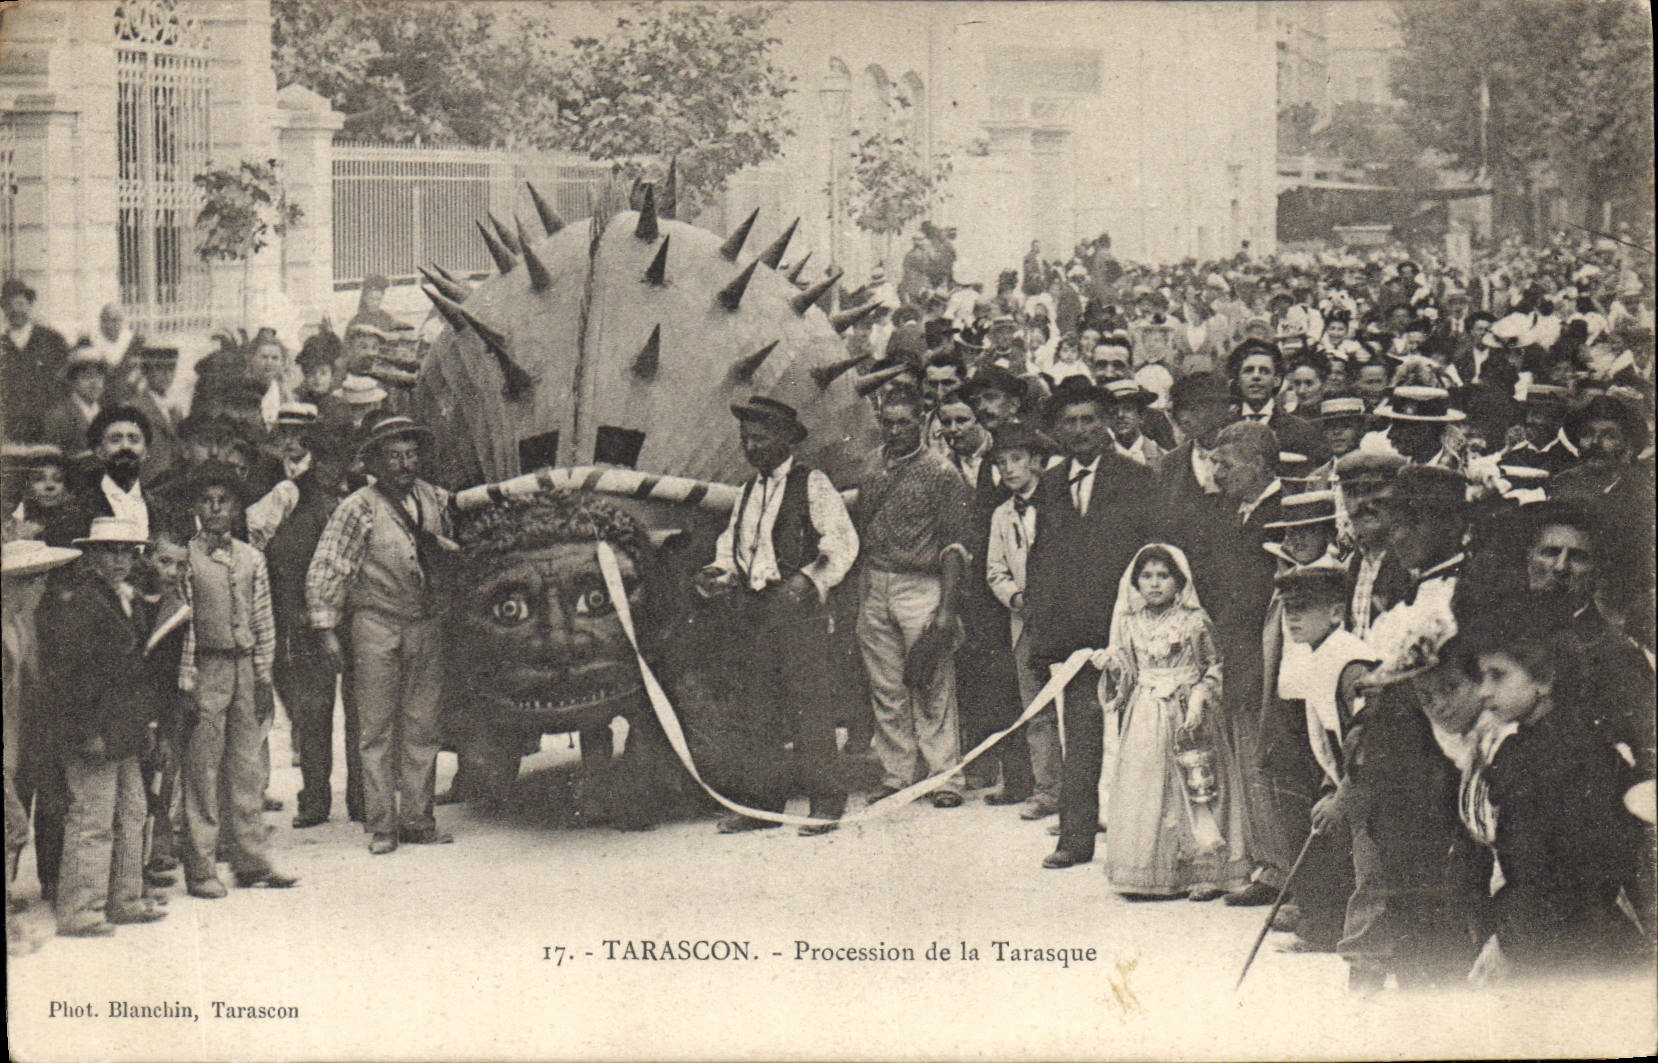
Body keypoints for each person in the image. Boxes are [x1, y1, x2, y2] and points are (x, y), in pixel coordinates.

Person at [693, 398, 858, 836]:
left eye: (760, 439)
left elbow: (841, 542)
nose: (751, 447)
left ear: (785, 439)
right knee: (758, 708)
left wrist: (807, 581)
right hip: (755, 611)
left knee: (809, 708)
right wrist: (718, 572)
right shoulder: (748, 491)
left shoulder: (812, 484)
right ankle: (761, 805)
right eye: (746, 439)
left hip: (799, 612)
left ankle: (826, 803)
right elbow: (733, 545)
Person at [1460, 603, 1645, 981]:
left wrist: (1510, 942)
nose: (1483, 691)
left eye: (1498, 675)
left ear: (1544, 680)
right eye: (1481, 676)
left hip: (1572, 943)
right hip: (1556, 930)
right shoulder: (1538, 745)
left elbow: (1560, 875)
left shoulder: (1562, 755)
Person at [307, 415, 454, 854]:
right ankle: (382, 826)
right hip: (376, 623)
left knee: (423, 726)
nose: (405, 464)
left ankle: (418, 819)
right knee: (375, 729)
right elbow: (329, 566)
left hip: (426, 623)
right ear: (375, 462)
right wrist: (326, 630)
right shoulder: (358, 507)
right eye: (394, 456)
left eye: (411, 455)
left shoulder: (434, 498)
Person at [1027, 378, 1158, 868]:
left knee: (1138, 736)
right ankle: (1075, 839)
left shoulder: (1136, 478)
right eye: (1070, 422)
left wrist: (1142, 622)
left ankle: (1138, 842)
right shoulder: (1050, 484)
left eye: (1089, 420)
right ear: (1058, 430)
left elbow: (1151, 553)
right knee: (1079, 737)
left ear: (1105, 423)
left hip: (1128, 629)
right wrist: (1044, 639)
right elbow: (1042, 562)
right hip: (1075, 636)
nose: (1081, 430)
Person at [1097, 544, 1251, 900]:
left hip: (1188, 712)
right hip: (1146, 715)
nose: (1154, 584)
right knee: (1147, 785)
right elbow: (1128, 675)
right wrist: (1113, 667)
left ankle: (1206, 872)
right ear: (1135, 583)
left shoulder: (1194, 621)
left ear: (1179, 582)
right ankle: (1151, 870)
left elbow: (1214, 666)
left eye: (1163, 576)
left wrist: (1199, 698)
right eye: (1147, 576)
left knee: (1198, 784)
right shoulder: (1130, 624)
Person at [37, 518, 164, 936]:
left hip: (122, 726)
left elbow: (136, 671)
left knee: (132, 810)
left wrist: (144, 723)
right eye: (110, 551)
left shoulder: (125, 599)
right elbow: (68, 677)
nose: (119, 560)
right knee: (92, 816)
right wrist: (86, 731)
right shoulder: (81, 603)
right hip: (94, 727)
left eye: (127, 552)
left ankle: (124, 899)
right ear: (91, 555)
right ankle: (80, 909)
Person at [176, 463, 296, 897]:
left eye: (223, 501)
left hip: (244, 668)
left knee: (246, 768)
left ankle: (251, 860)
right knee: (203, 770)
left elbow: (263, 622)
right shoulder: (186, 559)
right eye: (206, 501)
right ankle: (201, 867)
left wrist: (263, 678)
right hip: (206, 669)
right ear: (195, 507)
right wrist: (187, 680)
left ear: (236, 507)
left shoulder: (251, 558)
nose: (215, 508)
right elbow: (186, 624)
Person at [853, 384, 972, 809]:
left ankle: (945, 777)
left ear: (921, 422)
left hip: (921, 583)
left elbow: (955, 545)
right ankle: (897, 774)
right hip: (876, 581)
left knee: (932, 681)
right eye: (888, 423)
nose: (895, 431)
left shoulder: (941, 472)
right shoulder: (871, 465)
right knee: (886, 685)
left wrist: (946, 610)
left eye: (904, 423)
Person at [262, 425, 359, 828]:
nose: (331, 468)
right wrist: (296, 614)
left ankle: (362, 797)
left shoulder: (361, 493)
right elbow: (278, 558)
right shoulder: (292, 495)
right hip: (307, 619)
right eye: (324, 458)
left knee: (360, 710)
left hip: (357, 616)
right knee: (315, 713)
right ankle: (315, 800)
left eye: (339, 459)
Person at [1279, 563, 1377, 952]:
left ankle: (1365, 962)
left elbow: (1371, 736)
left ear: (1336, 613)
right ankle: (1330, 934)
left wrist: (1343, 795)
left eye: (1304, 608)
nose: (1293, 618)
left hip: (1377, 781)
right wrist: (1328, 786)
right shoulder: (1319, 654)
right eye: (1288, 609)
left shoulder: (1351, 662)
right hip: (1353, 777)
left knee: (1371, 874)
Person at [3, 537, 82, 952]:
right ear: (18, 583)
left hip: (26, 734)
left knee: (17, 825)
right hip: (8, 743)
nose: (43, 588)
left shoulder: (22, 622)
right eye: (36, 580)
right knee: (13, 825)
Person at [983, 422, 1061, 819]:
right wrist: (1016, 597)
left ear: (1036, 461)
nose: (1009, 469)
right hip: (1026, 622)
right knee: (1037, 709)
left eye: (1017, 459)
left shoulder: (1060, 500)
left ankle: (1087, 792)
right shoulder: (1002, 515)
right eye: (1002, 462)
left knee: (1076, 707)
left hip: (1065, 618)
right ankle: (1048, 791)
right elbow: (995, 569)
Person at [2, 277, 72, 442]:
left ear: (30, 305)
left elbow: (67, 379)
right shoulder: (3, 343)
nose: (15, 310)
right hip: (12, 429)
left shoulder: (52, 339)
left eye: (20, 304)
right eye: (9, 305)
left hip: (48, 425)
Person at [78, 404, 155, 540]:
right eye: (115, 440)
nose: (125, 446)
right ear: (99, 451)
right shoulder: (80, 506)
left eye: (134, 440)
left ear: (145, 452)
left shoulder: (159, 507)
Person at [42, 344, 107, 456]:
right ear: (72, 381)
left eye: (99, 377)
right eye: (87, 376)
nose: (95, 383)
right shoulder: (59, 416)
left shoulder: (106, 414)